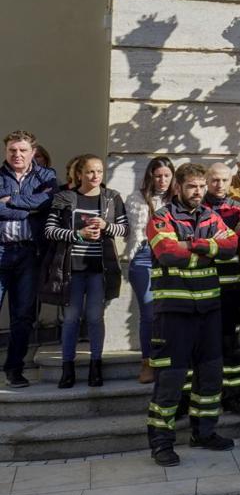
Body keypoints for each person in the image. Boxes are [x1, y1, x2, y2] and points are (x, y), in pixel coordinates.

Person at [144, 163, 239, 466]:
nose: (198, 192)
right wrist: (209, 247)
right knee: (170, 380)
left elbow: (231, 246)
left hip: (209, 309)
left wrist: (193, 245)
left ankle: (204, 431)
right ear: (178, 188)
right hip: (174, 312)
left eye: (201, 186)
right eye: (192, 187)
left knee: (210, 376)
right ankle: (161, 442)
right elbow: (168, 253)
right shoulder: (162, 217)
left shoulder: (212, 216)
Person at [40, 154, 127, 388]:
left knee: (95, 318)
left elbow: (124, 228)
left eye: (99, 171)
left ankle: (95, 366)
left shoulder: (112, 198)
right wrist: (79, 234)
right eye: (90, 171)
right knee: (70, 319)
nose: (95, 176)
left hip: (99, 269)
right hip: (71, 269)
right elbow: (50, 231)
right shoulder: (65, 197)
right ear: (79, 174)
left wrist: (106, 226)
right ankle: (67, 368)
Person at [0, 130, 58, 388]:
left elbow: (46, 202)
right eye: (12, 150)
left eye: (23, 150)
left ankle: (14, 369)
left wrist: (10, 202)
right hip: (1, 250)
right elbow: (34, 206)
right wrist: (28, 207)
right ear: (6, 151)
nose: (17, 155)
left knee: (23, 316)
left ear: (33, 152)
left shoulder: (47, 176)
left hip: (29, 254)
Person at [202, 163, 240, 414]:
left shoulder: (239, 208)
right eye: (214, 180)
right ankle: (201, 394)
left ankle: (233, 395)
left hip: (231, 285)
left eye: (224, 180)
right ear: (207, 181)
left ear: (230, 182)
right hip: (202, 282)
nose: (219, 185)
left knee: (231, 343)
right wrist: (227, 237)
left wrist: (220, 239)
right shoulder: (198, 208)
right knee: (202, 342)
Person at [125, 157, 174, 384]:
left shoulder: (178, 199)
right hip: (144, 255)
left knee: (170, 313)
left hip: (170, 255)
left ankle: (169, 360)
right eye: (158, 176)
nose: (162, 180)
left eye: (166, 175)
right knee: (149, 311)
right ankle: (148, 363)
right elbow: (127, 229)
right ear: (150, 177)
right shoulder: (135, 198)